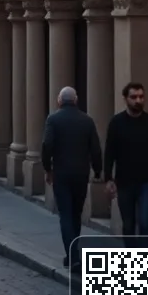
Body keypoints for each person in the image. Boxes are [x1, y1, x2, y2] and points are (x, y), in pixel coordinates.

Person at [41, 87, 102, 267]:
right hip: (81, 174)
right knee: (76, 213)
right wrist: (98, 170)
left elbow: (47, 145)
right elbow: (96, 149)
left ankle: (72, 254)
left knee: (65, 214)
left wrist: (47, 169)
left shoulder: (53, 119)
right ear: (75, 100)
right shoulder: (87, 120)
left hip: (61, 174)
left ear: (59, 101)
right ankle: (73, 253)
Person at [103, 81, 148, 235]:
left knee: (145, 223)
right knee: (128, 225)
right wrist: (108, 179)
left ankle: (144, 258)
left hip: (146, 182)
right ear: (125, 99)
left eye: (141, 97)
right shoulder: (116, 123)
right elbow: (109, 152)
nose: (138, 100)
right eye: (133, 97)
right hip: (124, 182)